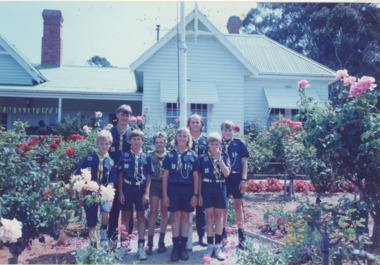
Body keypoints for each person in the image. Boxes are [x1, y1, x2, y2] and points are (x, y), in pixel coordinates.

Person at [162, 127, 200, 261]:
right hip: (173, 189)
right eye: (180, 135)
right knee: (175, 217)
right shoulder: (169, 155)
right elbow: (165, 176)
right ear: (176, 138)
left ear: (188, 139)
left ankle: (183, 246)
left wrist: (195, 194)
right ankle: (175, 247)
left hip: (188, 190)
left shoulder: (192, 156)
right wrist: (165, 195)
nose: (182, 138)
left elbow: (196, 176)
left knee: (185, 216)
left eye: (185, 136)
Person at [75, 130, 117, 247]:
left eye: (106, 144)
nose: (104, 146)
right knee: (91, 219)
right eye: (101, 143)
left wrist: (111, 198)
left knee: (105, 212)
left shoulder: (111, 162)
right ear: (97, 144)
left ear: (110, 145)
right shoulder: (89, 158)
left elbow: (112, 181)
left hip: (104, 193)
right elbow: (79, 176)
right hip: (90, 193)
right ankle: (93, 243)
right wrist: (81, 194)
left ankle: (104, 233)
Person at [118, 129, 153, 260]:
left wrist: (147, 193)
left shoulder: (147, 157)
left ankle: (141, 247)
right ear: (130, 141)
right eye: (134, 139)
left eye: (139, 139)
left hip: (141, 188)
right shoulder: (124, 155)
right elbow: (120, 174)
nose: (137, 141)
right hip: (127, 187)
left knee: (141, 217)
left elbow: (149, 176)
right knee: (126, 216)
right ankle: (124, 245)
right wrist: (120, 191)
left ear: (143, 141)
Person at [198, 132, 230, 261]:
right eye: (212, 144)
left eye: (216, 144)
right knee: (209, 217)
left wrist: (219, 159)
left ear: (220, 145)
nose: (214, 146)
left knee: (219, 217)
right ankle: (210, 245)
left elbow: (227, 173)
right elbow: (199, 177)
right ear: (208, 145)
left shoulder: (225, 157)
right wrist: (199, 194)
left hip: (220, 187)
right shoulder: (202, 158)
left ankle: (218, 246)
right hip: (207, 188)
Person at [220, 120, 249, 250]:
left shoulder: (239, 143)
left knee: (238, 208)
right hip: (224, 178)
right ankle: (223, 234)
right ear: (222, 131)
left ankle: (242, 236)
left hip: (237, 177)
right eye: (225, 130)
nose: (227, 132)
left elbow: (244, 162)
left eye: (230, 130)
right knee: (224, 208)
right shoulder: (218, 144)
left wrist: (244, 179)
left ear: (233, 131)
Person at [108, 104, 134, 241]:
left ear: (130, 117)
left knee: (128, 209)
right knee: (113, 210)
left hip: (129, 177)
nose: (124, 117)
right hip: (112, 177)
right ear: (117, 115)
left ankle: (126, 240)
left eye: (127, 115)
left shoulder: (134, 133)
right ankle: (112, 239)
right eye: (122, 114)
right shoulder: (110, 133)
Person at [146, 132, 169, 255]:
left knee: (164, 212)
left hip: (166, 185)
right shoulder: (150, 155)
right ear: (154, 143)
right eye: (157, 142)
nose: (159, 144)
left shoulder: (169, 155)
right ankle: (149, 242)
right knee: (153, 211)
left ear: (165, 143)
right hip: (154, 184)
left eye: (162, 142)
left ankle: (161, 241)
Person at [187, 114, 208, 247]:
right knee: (187, 207)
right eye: (192, 122)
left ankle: (202, 235)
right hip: (188, 178)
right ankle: (186, 236)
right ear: (189, 124)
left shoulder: (206, 140)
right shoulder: (184, 139)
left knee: (201, 208)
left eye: (197, 122)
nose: (195, 124)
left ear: (201, 124)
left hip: (203, 178)